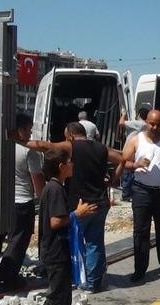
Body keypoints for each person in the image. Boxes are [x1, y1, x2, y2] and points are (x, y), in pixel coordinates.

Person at [16, 122, 122, 293]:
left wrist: (19, 141)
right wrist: (113, 181)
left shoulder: (71, 146)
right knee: (95, 242)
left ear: (71, 136)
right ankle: (92, 282)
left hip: (79, 204)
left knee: (75, 241)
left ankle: (76, 277)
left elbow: (45, 146)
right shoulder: (102, 148)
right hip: (100, 202)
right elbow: (122, 159)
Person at [13, 149, 95, 305]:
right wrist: (77, 214)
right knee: (56, 300)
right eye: (70, 162)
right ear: (61, 166)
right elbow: (55, 222)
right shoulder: (55, 189)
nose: (73, 165)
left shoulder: (54, 187)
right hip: (55, 252)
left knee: (64, 298)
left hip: (59, 250)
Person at [0, 113, 46, 289]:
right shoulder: (28, 151)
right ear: (20, 130)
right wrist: (44, 199)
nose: (30, 134)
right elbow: (37, 180)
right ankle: (7, 278)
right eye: (28, 130)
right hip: (21, 203)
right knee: (18, 240)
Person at [121, 109, 160, 282]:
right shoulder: (135, 140)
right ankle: (140, 269)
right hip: (141, 191)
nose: (154, 127)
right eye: (151, 123)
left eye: (158, 124)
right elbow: (123, 162)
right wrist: (136, 164)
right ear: (146, 122)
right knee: (141, 231)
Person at [118, 107, 149, 202]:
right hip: (138, 150)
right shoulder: (146, 125)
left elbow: (121, 123)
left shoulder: (138, 123)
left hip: (130, 150)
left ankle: (126, 194)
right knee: (134, 172)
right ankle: (131, 193)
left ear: (139, 115)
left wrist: (123, 114)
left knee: (127, 171)